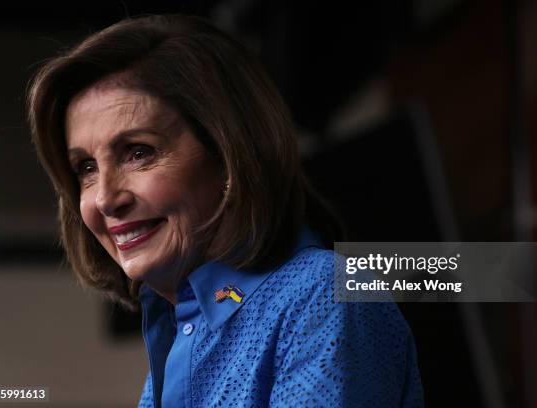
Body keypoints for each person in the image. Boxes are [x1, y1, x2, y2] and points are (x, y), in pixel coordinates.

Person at [27, 14, 423, 407]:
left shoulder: (321, 294)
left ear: (229, 157)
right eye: (87, 168)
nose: (105, 199)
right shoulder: (179, 337)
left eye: (138, 153)